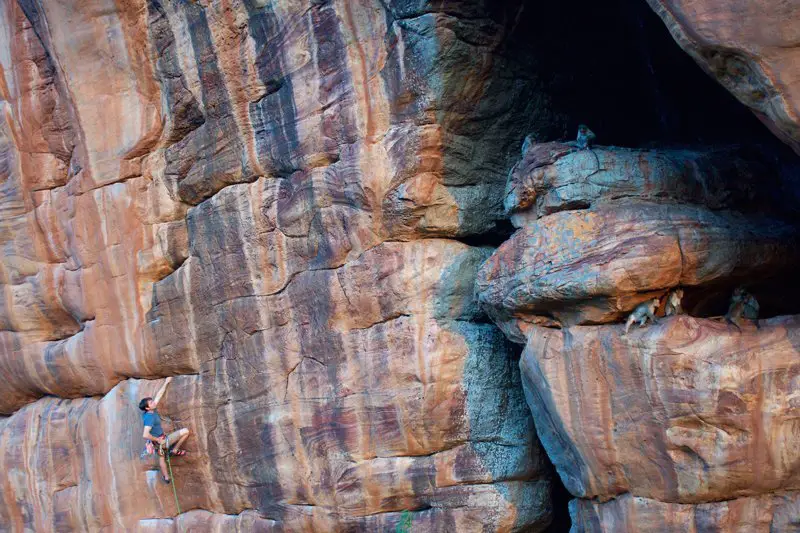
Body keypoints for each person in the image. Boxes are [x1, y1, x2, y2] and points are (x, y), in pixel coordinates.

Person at [139, 377, 191, 484]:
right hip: (162, 441)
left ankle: (166, 478)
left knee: (162, 458)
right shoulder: (150, 418)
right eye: (151, 403)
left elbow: (158, 396)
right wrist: (157, 439)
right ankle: (175, 450)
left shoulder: (149, 412)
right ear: (147, 408)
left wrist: (166, 383)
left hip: (157, 444)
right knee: (185, 431)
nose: (154, 403)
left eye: (152, 401)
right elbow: (145, 434)